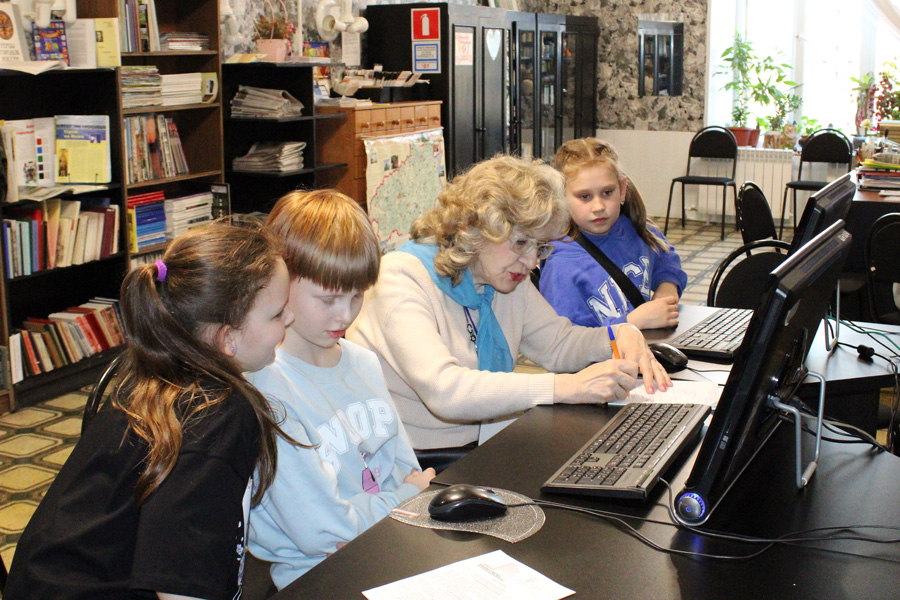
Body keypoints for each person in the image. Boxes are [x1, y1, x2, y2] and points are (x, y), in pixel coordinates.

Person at [4, 219, 294, 600]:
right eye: (277, 314)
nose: (289, 318)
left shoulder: (159, 373)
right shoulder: (219, 415)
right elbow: (180, 589)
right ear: (227, 337)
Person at [346, 155, 671, 457]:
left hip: (481, 441)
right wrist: (568, 386)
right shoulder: (400, 278)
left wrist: (620, 335)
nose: (531, 262)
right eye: (521, 242)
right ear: (477, 229)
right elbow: (446, 391)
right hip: (407, 459)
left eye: (539, 247)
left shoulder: (501, 273)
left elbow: (558, 343)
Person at [247, 190, 435, 590]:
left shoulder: (362, 362)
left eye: (356, 296)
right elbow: (322, 533)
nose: (345, 315)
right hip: (318, 578)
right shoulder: (267, 388)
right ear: (280, 284)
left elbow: (410, 473)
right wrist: (397, 500)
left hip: (391, 545)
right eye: (328, 299)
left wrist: (381, 510)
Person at [539, 137, 687, 330]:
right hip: (604, 350)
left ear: (622, 189)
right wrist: (631, 323)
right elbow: (565, 339)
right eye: (585, 196)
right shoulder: (560, 263)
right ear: (561, 197)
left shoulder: (638, 229)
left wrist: (667, 289)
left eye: (607, 192)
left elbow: (666, 259)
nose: (599, 206)